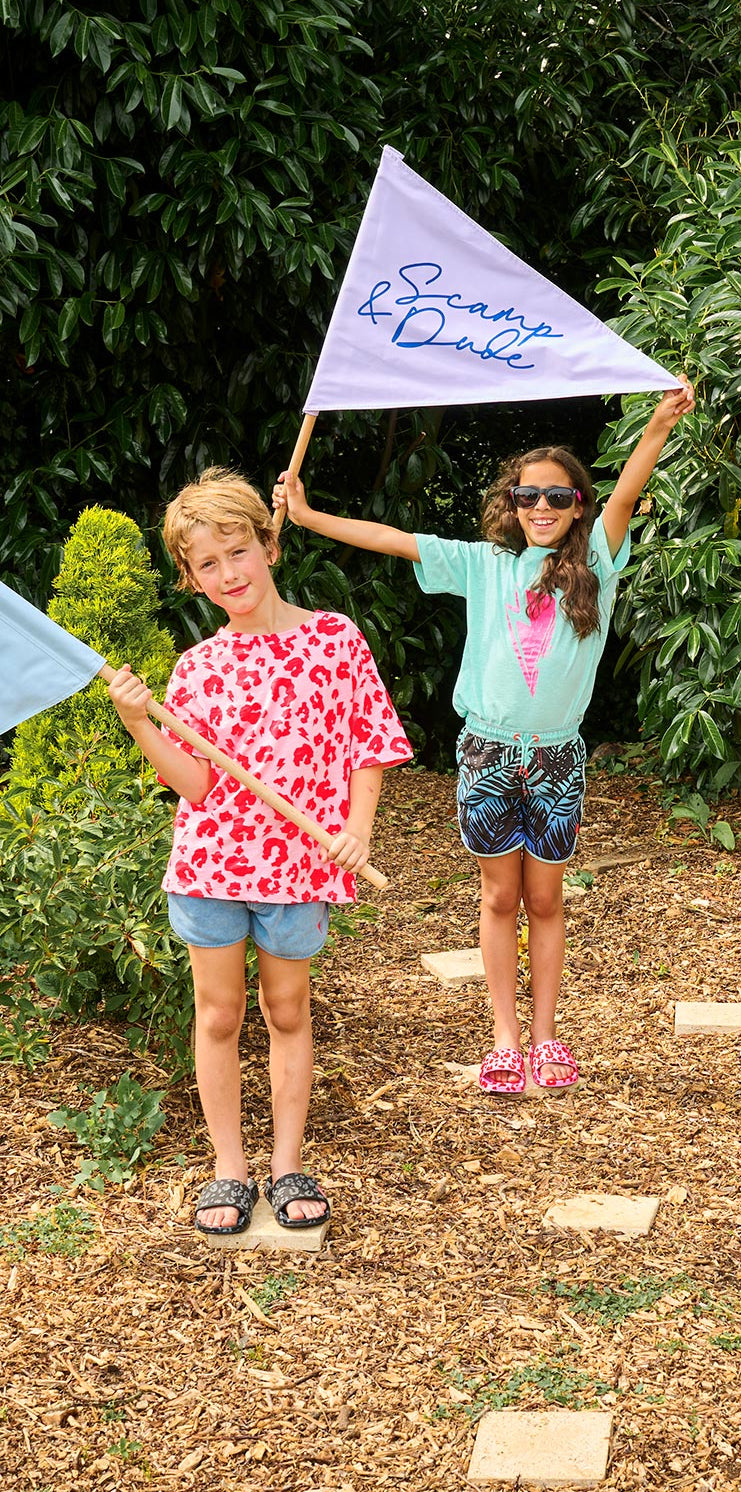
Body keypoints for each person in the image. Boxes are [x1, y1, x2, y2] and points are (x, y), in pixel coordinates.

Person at [273, 381, 695, 1095]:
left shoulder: (597, 565)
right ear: (511, 503)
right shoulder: (484, 565)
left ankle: (546, 1036)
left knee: (547, 902)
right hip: (488, 754)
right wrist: (307, 516)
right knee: (499, 899)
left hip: (557, 757)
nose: (542, 509)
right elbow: (392, 539)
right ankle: (503, 1037)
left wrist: (656, 424)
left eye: (558, 498)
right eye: (529, 496)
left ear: (577, 508)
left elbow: (626, 493)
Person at [108, 469, 411, 1236]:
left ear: (268, 543)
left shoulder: (334, 639)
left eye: (236, 552)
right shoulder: (199, 668)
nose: (228, 574)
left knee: (287, 1009)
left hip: (300, 869)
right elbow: (199, 788)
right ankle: (229, 1170)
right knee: (218, 1014)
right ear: (191, 577)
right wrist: (142, 723)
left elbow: (370, 745)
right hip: (212, 870)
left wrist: (357, 827)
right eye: (206, 565)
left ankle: (286, 1165)